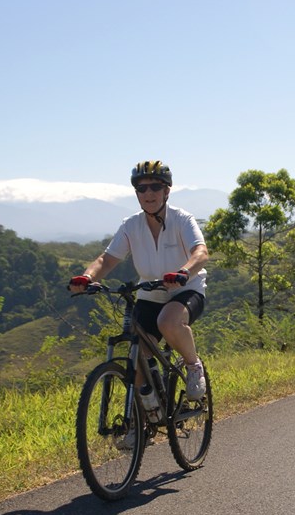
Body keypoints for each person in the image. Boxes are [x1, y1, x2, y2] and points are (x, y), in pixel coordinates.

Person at [68, 160, 209, 400]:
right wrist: (87, 277)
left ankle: (194, 366)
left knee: (168, 321)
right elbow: (107, 260)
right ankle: (141, 419)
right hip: (149, 293)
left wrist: (183, 273)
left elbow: (201, 253)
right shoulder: (131, 225)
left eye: (155, 187)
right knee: (139, 354)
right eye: (141, 189)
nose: (148, 193)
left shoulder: (182, 219)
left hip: (186, 290)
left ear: (166, 191)